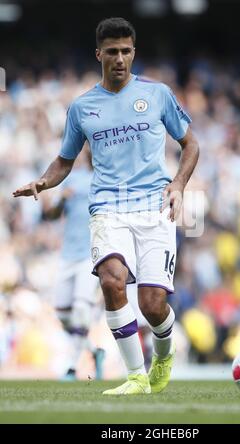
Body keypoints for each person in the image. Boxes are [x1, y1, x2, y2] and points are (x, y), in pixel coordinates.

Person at [13, 17, 200, 395]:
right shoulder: (82, 108)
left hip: (154, 207)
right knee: (112, 282)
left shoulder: (159, 94)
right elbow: (65, 160)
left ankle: (164, 352)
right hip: (107, 208)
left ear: (134, 53)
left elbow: (191, 145)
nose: (119, 59)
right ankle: (135, 376)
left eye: (126, 51)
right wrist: (43, 182)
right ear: (98, 54)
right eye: (112, 51)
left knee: (152, 305)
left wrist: (178, 184)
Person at [41, 148, 105, 380]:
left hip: (92, 253)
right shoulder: (73, 178)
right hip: (68, 253)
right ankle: (93, 351)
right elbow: (53, 215)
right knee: (62, 313)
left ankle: (71, 366)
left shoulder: (108, 179)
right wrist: (58, 200)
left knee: (80, 309)